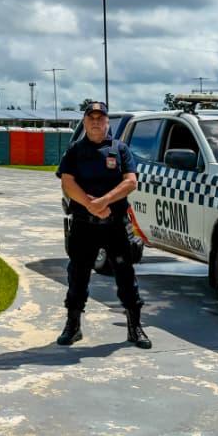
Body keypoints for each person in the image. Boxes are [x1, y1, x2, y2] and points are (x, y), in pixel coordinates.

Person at [55, 102, 150, 348]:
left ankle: (134, 327)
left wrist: (105, 201)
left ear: (107, 122)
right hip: (84, 225)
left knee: (126, 276)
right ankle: (73, 326)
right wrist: (90, 204)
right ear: (85, 122)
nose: (96, 122)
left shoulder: (120, 149)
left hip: (115, 225)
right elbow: (67, 182)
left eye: (101, 118)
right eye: (91, 118)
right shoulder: (75, 150)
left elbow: (131, 182)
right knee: (77, 275)